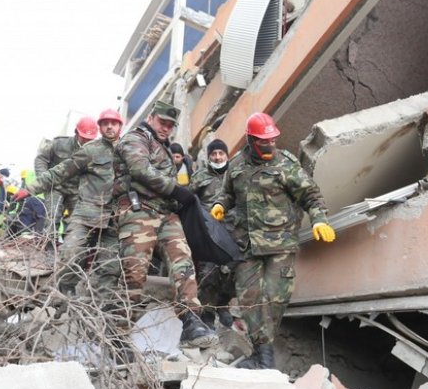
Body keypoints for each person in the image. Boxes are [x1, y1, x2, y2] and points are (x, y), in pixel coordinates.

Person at [211, 113, 336, 369]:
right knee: (249, 299)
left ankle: (263, 357)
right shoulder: (236, 166)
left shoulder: (286, 164)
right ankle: (263, 358)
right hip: (247, 245)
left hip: (280, 243)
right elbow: (227, 193)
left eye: (272, 140)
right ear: (250, 140)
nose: (269, 146)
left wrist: (319, 220)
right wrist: (219, 204)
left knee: (276, 298)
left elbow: (310, 195)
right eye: (263, 142)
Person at [112, 100, 217, 348]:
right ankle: (118, 334)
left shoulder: (164, 148)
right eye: (162, 122)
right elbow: (139, 169)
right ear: (151, 118)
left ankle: (191, 320)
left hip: (166, 214)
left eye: (171, 125)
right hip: (139, 211)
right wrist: (176, 190)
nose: (166, 128)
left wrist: (181, 196)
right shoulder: (136, 138)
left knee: (183, 262)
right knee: (134, 274)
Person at [16, 109, 124, 294]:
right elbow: (59, 170)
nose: (109, 127)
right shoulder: (88, 150)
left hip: (114, 216)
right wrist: (31, 187)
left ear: (120, 126)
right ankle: (62, 287)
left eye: (113, 123)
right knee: (69, 249)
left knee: (110, 266)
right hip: (84, 207)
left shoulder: (129, 150)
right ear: (100, 127)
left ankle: (100, 306)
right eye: (105, 123)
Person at [189, 138, 235, 328]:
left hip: (232, 230)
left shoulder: (235, 175)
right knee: (208, 272)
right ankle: (207, 311)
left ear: (227, 155)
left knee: (231, 272)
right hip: (209, 231)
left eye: (221, 153)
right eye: (214, 154)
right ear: (209, 157)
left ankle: (223, 306)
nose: (217, 157)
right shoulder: (200, 176)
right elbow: (189, 199)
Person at [34, 116, 99, 239]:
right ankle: (48, 247)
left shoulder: (94, 153)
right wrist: (43, 178)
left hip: (76, 191)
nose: (86, 141)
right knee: (52, 218)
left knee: (78, 222)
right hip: (56, 186)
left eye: (90, 139)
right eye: (84, 137)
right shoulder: (59, 143)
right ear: (76, 133)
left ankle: (69, 250)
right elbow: (41, 158)